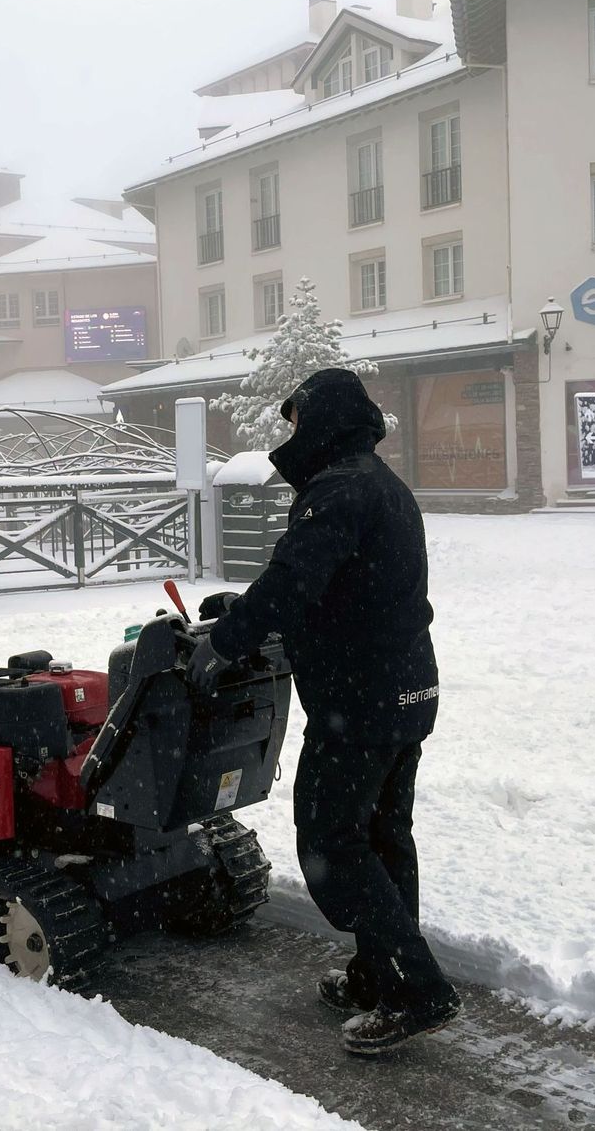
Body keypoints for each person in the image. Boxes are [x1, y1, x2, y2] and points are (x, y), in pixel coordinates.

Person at [185, 367, 461, 1055]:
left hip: (360, 703)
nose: (292, 436)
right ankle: (381, 971)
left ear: (324, 420)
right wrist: (249, 614)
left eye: (298, 421)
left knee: (334, 840)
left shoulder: (337, 489)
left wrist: (227, 639)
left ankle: (415, 988)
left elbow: (295, 579)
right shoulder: (380, 484)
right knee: (384, 835)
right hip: (406, 690)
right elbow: (338, 590)